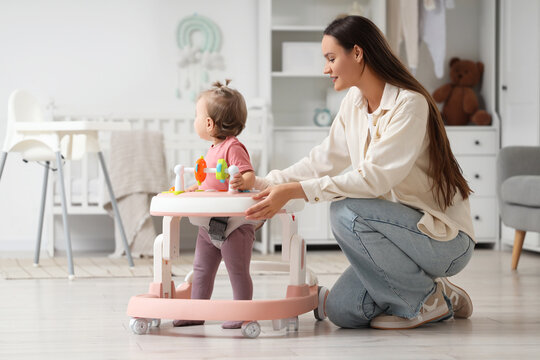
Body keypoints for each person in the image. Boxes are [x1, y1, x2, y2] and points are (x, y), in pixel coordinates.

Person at [245, 16, 475, 330]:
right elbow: (323, 159)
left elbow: (374, 178)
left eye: (330, 58)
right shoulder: (354, 102)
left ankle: (423, 301)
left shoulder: (410, 104)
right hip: (395, 234)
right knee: (341, 310)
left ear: (357, 53)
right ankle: (439, 294)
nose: (325, 69)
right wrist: (266, 182)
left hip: (442, 239)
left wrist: (297, 191)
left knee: (345, 211)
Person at [173, 80, 257, 329]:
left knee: (237, 271)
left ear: (208, 123)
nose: (195, 121)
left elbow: (249, 174)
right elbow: (211, 183)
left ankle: (242, 311)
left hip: (234, 227)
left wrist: (242, 180)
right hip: (209, 226)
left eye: (196, 116)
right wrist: (196, 189)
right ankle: (196, 311)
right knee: (201, 270)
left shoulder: (233, 147)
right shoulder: (211, 151)